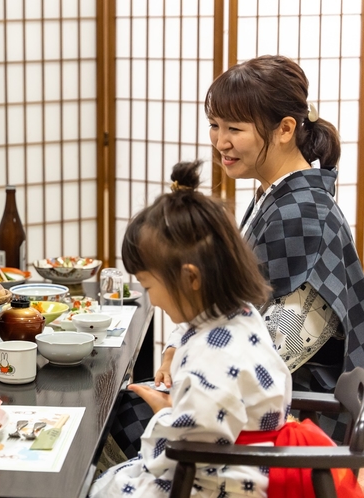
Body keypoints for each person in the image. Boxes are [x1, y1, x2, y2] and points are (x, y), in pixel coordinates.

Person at [159, 54, 364, 436]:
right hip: (253, 394)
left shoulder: (303, 213)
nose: (221, 142)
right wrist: (177, 346)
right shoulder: (277, 195)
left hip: (290, 419)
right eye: (214, 125)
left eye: (234, 128)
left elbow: (276, 349)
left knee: (123, 419)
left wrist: (187, 382)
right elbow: (233, 298)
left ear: (285, 129)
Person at [91, 161, 292, 497]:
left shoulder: (214, 351)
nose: (152, 301)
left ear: (190, 278)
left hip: (218, 481)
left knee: (104, 487)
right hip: (239, 463)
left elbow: (181, 449)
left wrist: (163, 414)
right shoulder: (240, 314)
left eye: (149, 286)